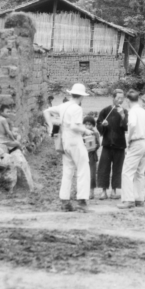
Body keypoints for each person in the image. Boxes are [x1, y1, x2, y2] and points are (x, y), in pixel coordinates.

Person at [44, 84, 92, 213]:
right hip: (75, 141)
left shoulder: (63, 106)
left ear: (71, 94)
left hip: (64, 142)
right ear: (81, 96)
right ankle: (82, 201)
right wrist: (86, 131)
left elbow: (46, 111)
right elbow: (75, 126)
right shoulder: (77, 108)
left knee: (68, 171)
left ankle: (64, 201)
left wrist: (50, 127)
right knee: (83, 169)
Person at [118, 90, 145, 210]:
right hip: (144, 143)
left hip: (136, 142)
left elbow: (132, 124)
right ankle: (139, 199)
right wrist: (144, 133)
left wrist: (129, 138)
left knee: (127, 172)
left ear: (128, 100)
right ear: (138, 99)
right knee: (140, 172)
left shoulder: (132, 111)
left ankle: (128, 200)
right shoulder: (143, 111)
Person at [96, 89, 128, 200]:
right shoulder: (105, 111)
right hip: (107, 144)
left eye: (122, 98)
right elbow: (98, 126)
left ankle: (114, 190)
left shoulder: (125, 111)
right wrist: (103, 125)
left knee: (118, 168)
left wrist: (123, 116)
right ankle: (103, 191)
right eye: (118, 98)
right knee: (104, 167)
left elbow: (127, 127)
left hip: (120, 144)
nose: (120, 100)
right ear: (113, 98)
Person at [82, 116, 101, 199]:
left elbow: (98, 144)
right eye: (86, 124)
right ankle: (83, 191)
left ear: (93, 125)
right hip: (83, 155)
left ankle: (91, 191)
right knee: (83, 174)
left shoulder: (95, 133)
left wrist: (95, 146)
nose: (87, 126)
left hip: (92, 155)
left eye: (89, 125)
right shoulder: (82, 133)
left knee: (92, 174)